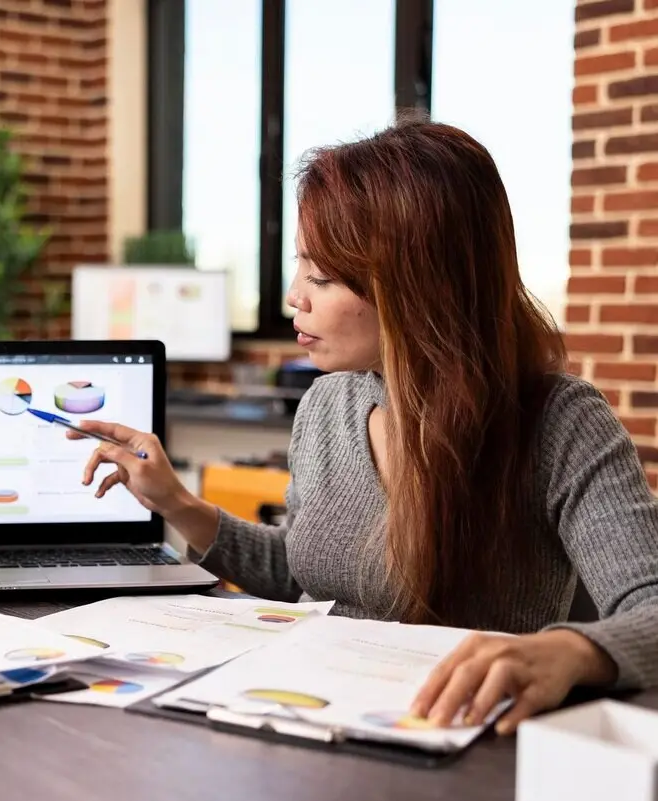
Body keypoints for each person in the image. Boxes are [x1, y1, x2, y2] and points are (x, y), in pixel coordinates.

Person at [72, 120, 658, 734]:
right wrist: (178, 503)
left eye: (321, 278)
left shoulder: (560, 423)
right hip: (299, 720)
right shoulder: (326, 404)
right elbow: (307, 573)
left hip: (455, 752)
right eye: (301, 270)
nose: (294, 297)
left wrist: (567, 652)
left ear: (417, 285)